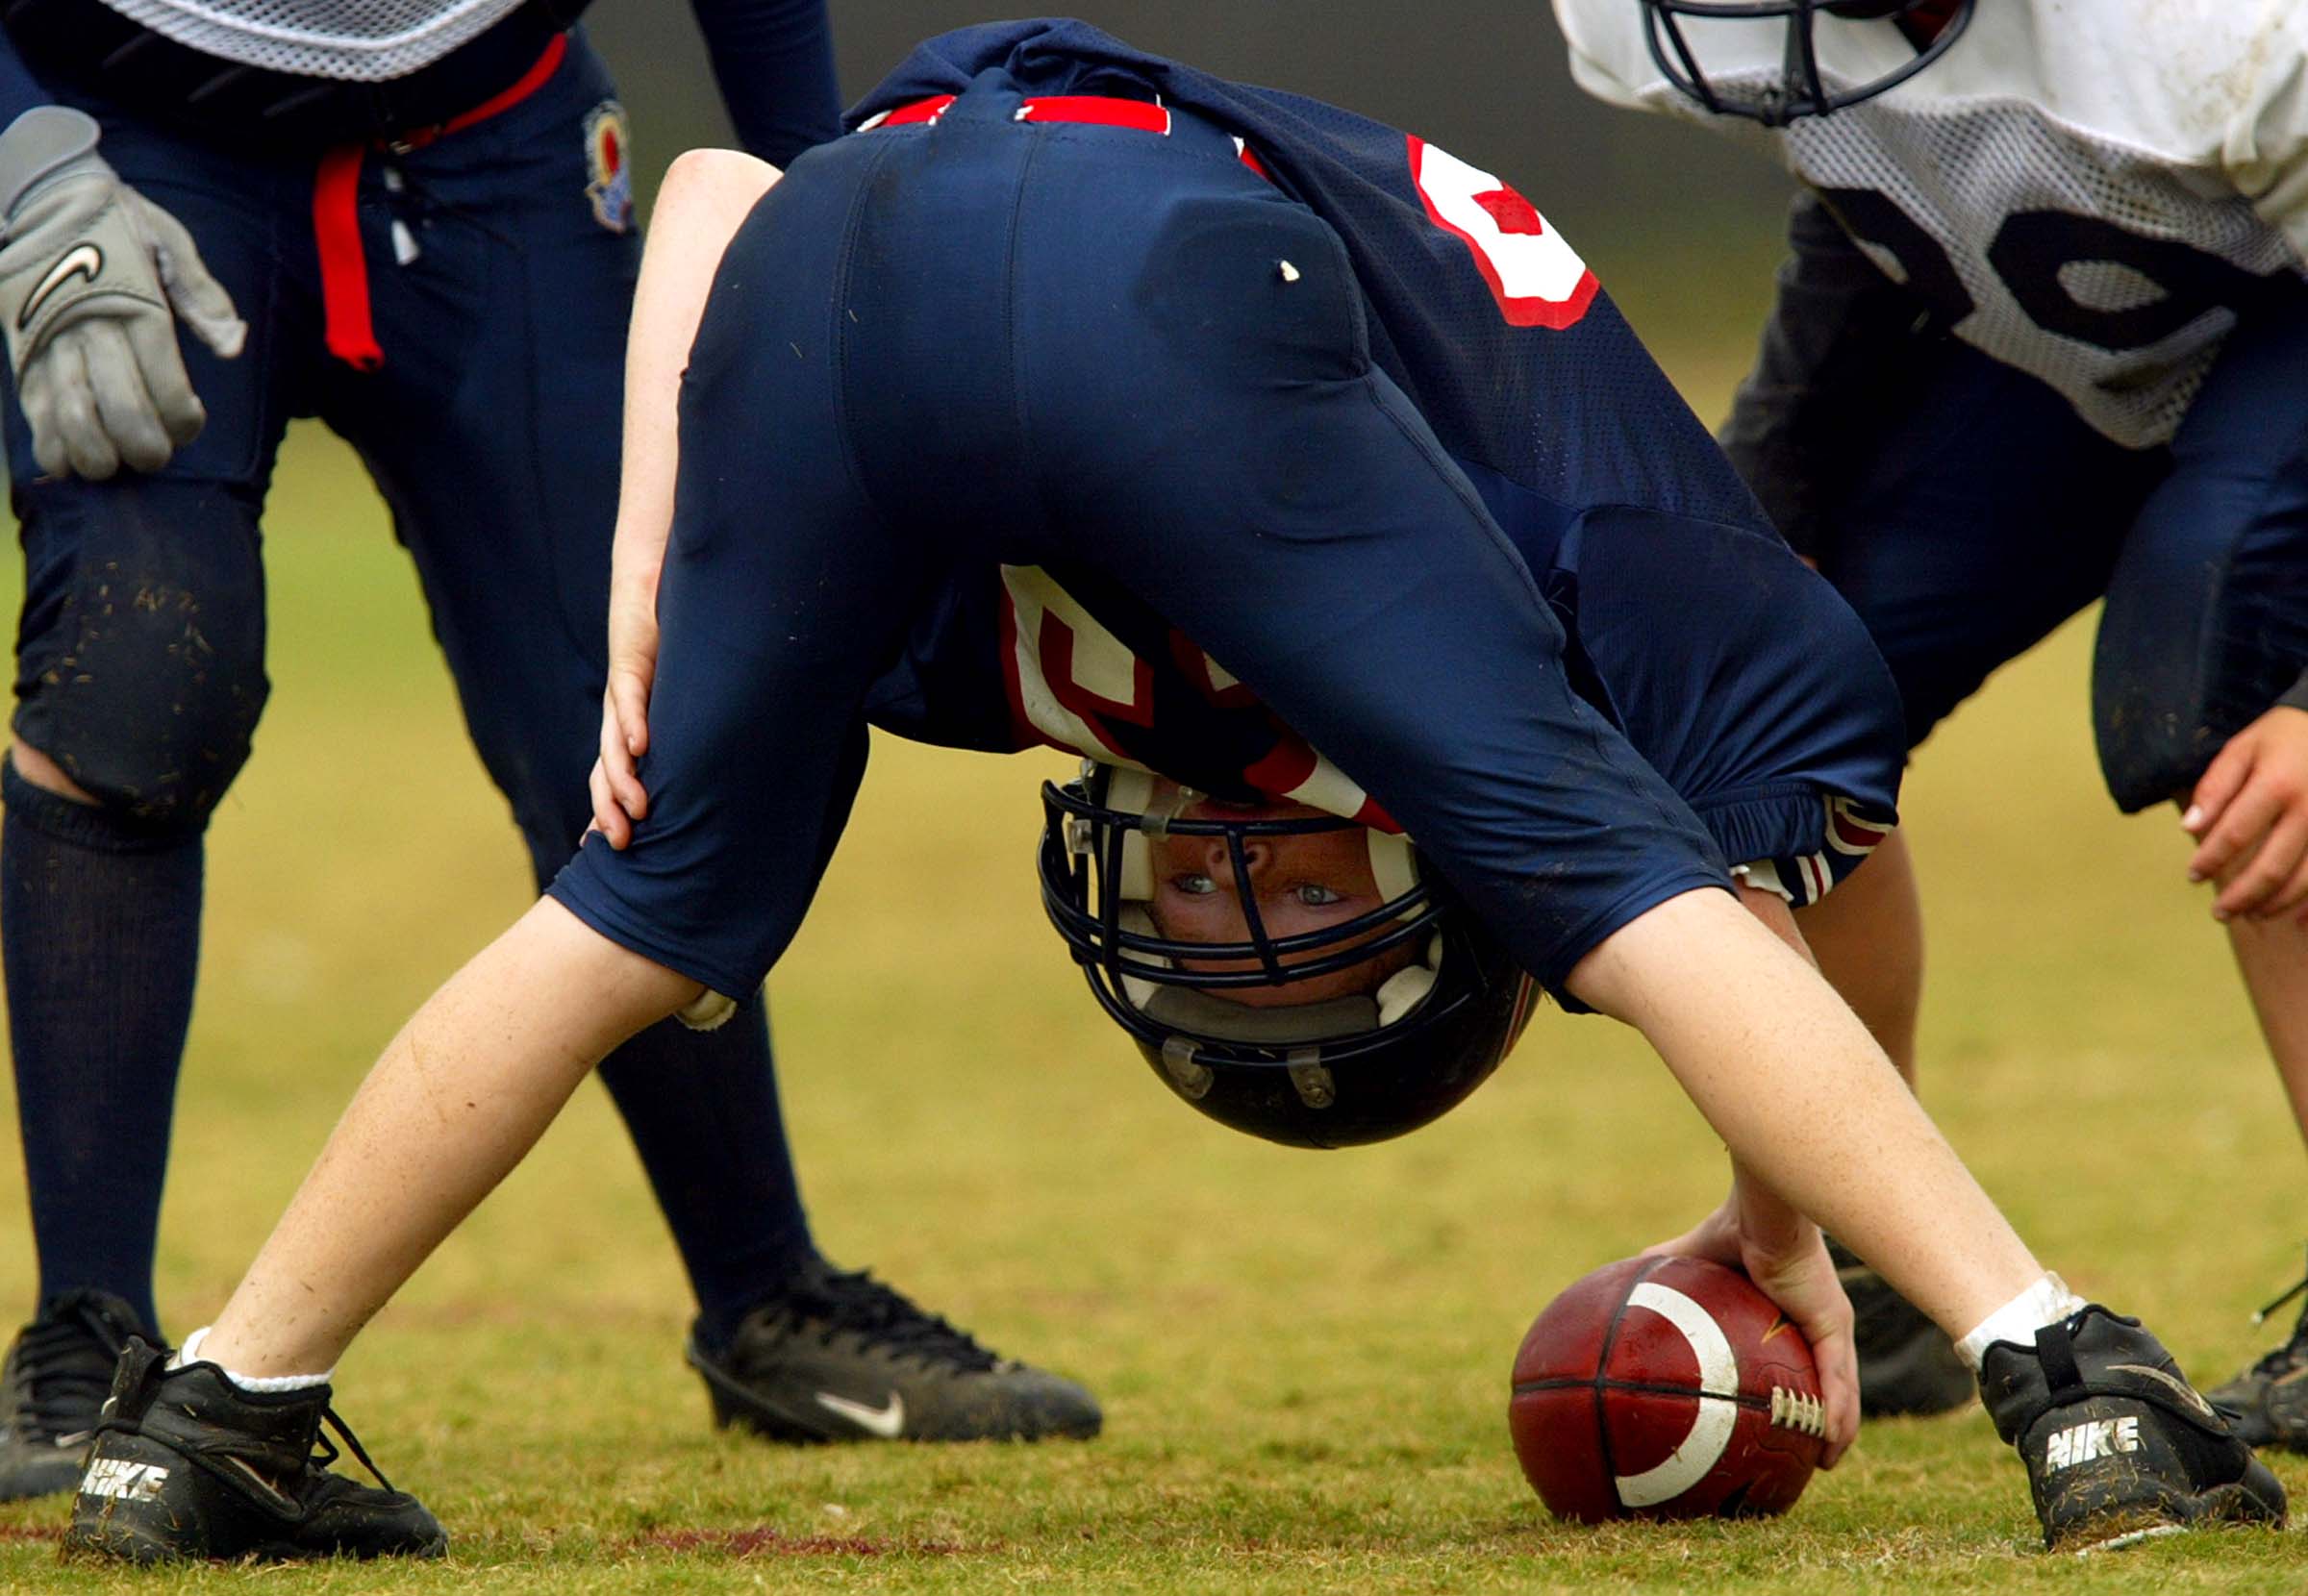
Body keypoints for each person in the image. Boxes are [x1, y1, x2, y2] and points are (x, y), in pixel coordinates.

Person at [63, 20, 2284, 1563]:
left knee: (621, 916)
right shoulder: (1617, 535)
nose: (1239, 907)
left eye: (1231, 899)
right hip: (1170, 268)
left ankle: (215, 1414)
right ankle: (2067, 1364)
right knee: (1619, 869)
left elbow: (738, 193)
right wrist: (1786, 1236)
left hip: (854, 270)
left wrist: (660, 537)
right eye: (1285, 891)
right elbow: (1770, 846)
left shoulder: (983, 652)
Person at [0, 0, 1101, 1506]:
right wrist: (24, 156)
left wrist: (814, 200)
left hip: (496, 144)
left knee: (641, 707)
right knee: (137, 672)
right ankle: (82, 1331)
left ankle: (767, 1294)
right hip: (123, 137)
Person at [1549, 0, 2308, 1435]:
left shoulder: (2219, 32)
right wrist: (1766, 503)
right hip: (2063, 361)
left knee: (2239, 722)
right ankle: (1870, 1252)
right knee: (1777, 702)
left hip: (2276, 331)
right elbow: (1888, 191)